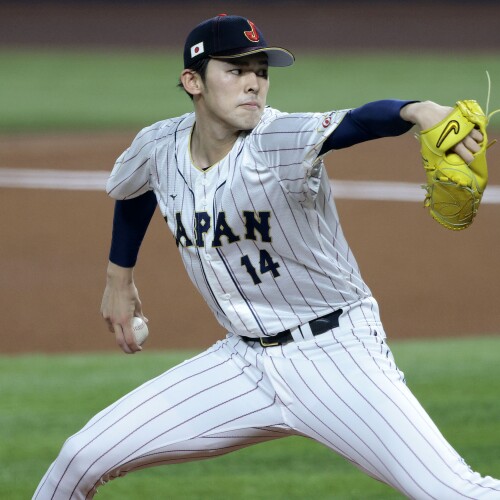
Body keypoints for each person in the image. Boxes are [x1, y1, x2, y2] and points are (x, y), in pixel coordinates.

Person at [34, 14, 500, 499]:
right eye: (236, 71)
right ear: (193, 81)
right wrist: (119, 278)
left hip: (336, 355)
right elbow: (135, 190)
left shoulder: (279, 138)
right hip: (241, 363)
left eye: (260, 71)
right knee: (80, 457)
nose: (253, 82)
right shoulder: (159, 145)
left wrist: (416, 110)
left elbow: (357, 122)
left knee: (455, 492)